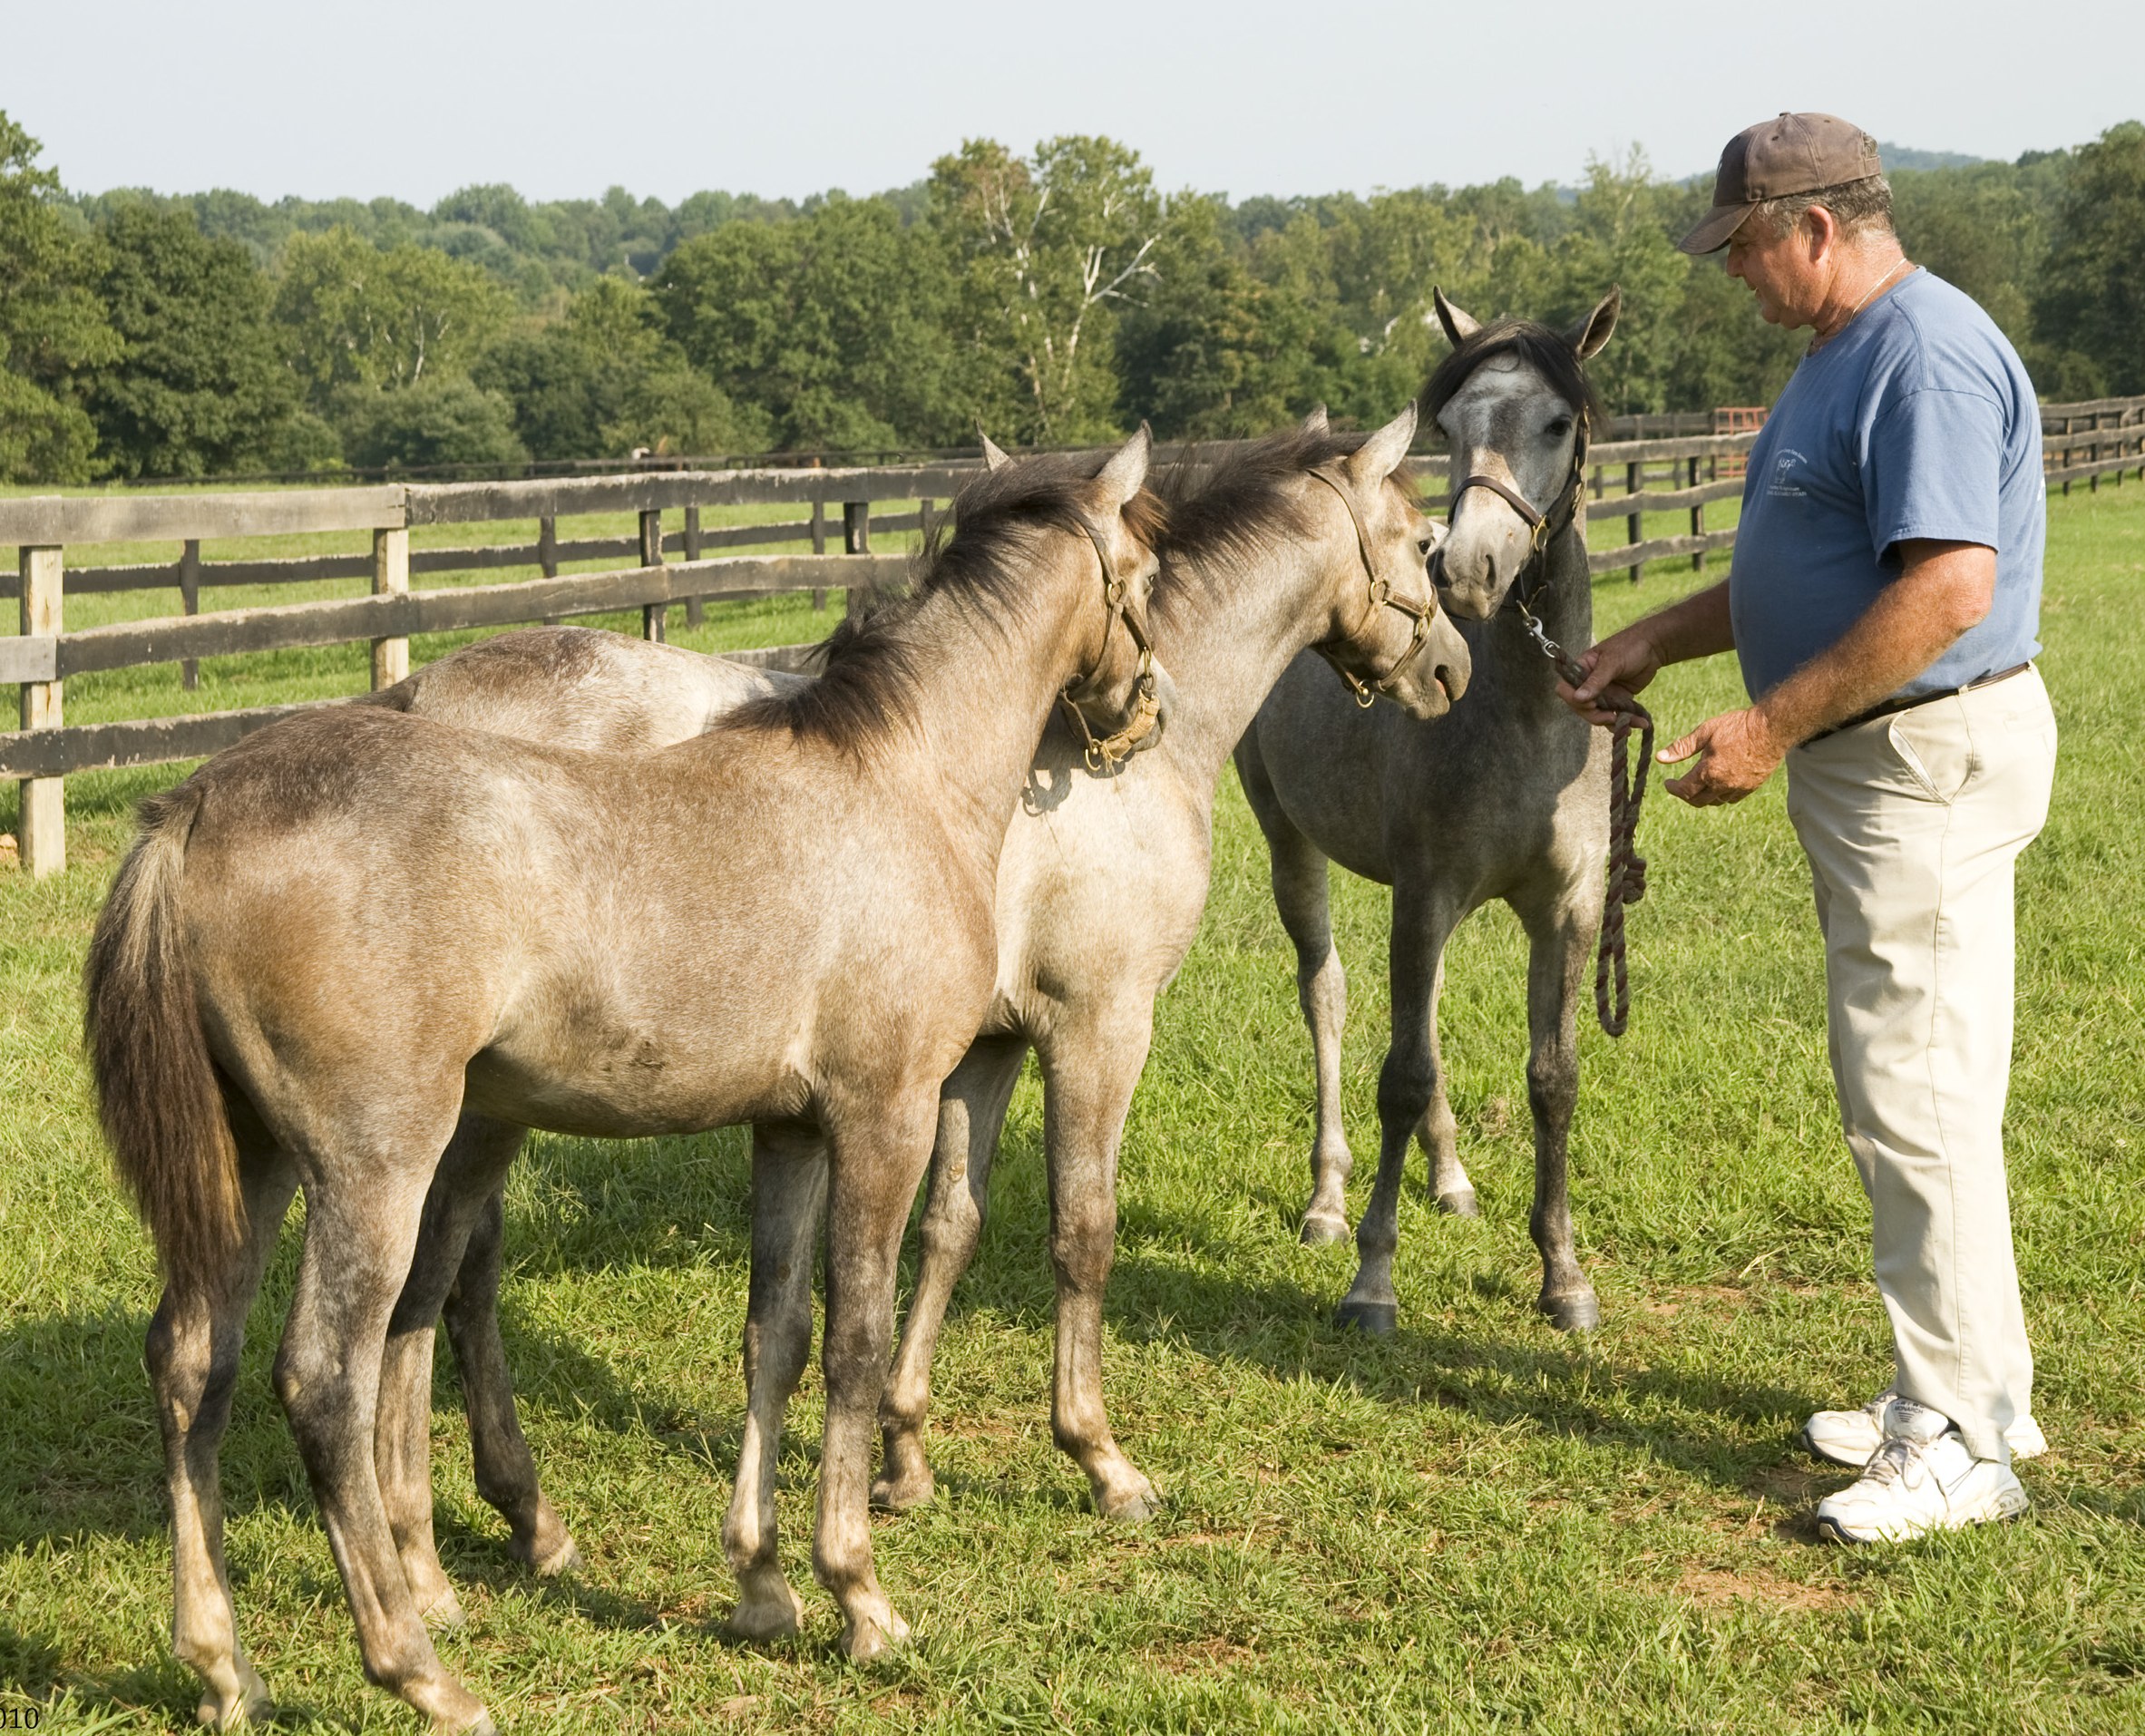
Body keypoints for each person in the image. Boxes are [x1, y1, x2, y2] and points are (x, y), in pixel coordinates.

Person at [1564, 112, 2057, 1544]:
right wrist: (1658, 636)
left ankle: (1962, 1436)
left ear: (1817, 229)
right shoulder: (1838, 358)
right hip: (1885, 765)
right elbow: (1814, 562)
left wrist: (1770, 724)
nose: (1734, 273)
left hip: (1913, 761)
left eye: (1743, 246)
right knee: (1928, 1083)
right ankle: (1970, 1391)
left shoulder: (1921, 354)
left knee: (1912, 1089)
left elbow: (1946, 587)